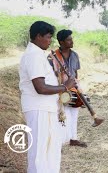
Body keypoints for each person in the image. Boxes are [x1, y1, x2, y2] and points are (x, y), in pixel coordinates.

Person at [19, 21, 76, 173]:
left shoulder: (37, 54)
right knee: (40, 152)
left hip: (44, 109)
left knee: (49, 151)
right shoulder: (33, 55)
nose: (50, 41)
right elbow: (40, 87)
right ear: (38, 36)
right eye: (48, 37)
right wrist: (65, 87)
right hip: (39, 109)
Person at [49, 29, 88, 147]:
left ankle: (73, 138)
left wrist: (78, 87)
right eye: (69, 39)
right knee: (62, 114)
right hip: (59, 87)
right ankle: (60, 142)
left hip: (73, 87)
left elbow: (75, 73)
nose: (72, 41)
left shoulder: (75, 55)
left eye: (72, 39)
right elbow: (49, 75)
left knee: (74, 111)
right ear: (61, 42)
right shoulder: (52, 57)